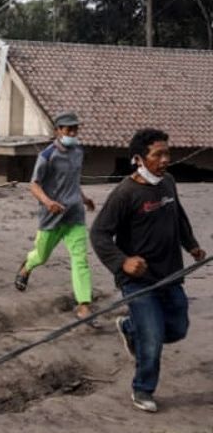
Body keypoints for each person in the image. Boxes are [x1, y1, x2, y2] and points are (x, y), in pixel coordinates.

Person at [90, 129, 206, 413]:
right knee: (152, 335)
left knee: (178, 328)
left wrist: (191, 245)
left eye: (167, 153)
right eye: (158, 155)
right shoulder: (125, 193)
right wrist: (123, 262)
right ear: (139, 159)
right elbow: (99, 235)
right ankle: (143, 389)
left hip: (169, 274)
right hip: (137, 280)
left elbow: (178, 215)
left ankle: (130, 327)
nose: (165, 159)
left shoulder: (168, 182)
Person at [14, 112, 97, 322]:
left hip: (74, 215)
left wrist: (84, 199)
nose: (72, 133)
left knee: (80, 259)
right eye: (68, 129)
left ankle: (84, 305)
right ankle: (27, 266)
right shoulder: (47, 155)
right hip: (51, 217)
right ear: (57, 131)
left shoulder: (78, 151)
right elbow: (34, 184)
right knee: (42, 256)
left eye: (75, 129)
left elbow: (73, 181)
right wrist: (48, 202)